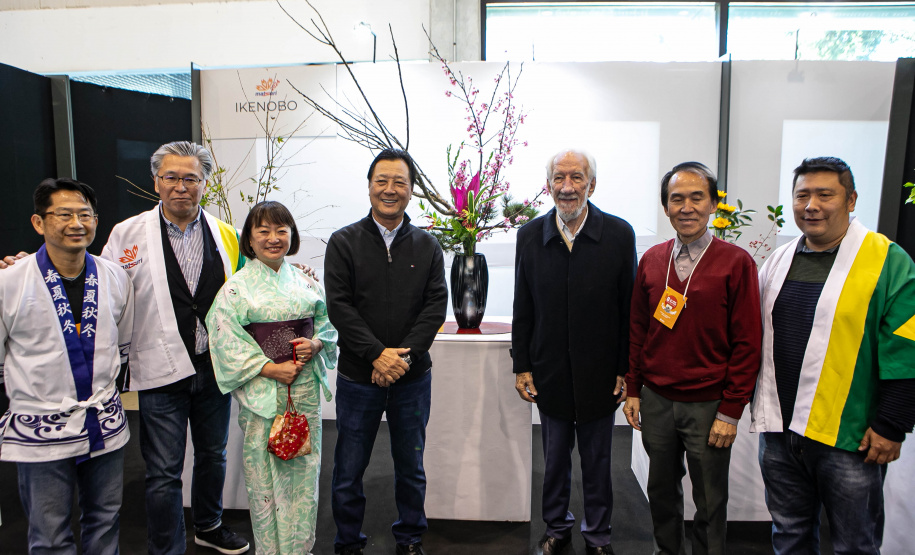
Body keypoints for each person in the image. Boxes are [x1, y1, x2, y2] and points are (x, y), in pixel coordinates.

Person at [751, 156, 915, 554]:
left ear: (851, 199)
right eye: (802, 195)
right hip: (781, 433)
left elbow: (906, 348)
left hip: (851, 437)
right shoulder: (778, 261)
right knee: (789, 535)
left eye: (826, 194)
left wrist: (893, 424)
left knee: (854, 544)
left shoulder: (887, 261)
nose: (812, 205)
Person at [103, 141, 249, 554]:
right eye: (172, 177)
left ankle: (209, 524)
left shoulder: (225, 234)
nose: (181, 186)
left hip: (211, 367)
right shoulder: (126, 235)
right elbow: (102, 287)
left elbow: (246, 288)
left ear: (204, 183)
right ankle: (166, 546)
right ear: (156, 182)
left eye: (191, 178)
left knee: (212, 455)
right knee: (163, 470)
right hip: (159, 369)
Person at [624, 162, 762, 555]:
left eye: (696, 197)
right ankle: (666, 550)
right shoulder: (652, 260)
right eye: (676, 198)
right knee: (661, 493)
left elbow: (748, 342)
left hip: (708, 404)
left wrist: (732, 409)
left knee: (710, 499)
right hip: (657, 401)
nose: (686, 207)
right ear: (665, 207)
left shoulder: (736, 262)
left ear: (714, 204)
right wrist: (634, 389)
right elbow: (637, 330)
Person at [324, 148, 448, 555]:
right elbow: (340, 307)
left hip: (412, 378)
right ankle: (347, 542)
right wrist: (377, 355)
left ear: (411, 191)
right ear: (369, 187)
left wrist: (400, 360)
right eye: (382, 181)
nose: (390, 190)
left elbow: (434, 307)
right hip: (359, 376)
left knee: (411, 467)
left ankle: (410, 538)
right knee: (348, 468)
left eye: (399, 182)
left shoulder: (428, 245)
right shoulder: (343, 242)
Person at [0, 178, 133, 554]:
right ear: (39, 222)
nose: (77, 223)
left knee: (105, 520)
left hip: (103, 422)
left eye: (85, 214)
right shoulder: (9, 283)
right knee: (50, 534)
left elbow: (122, 343)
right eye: (64, 214)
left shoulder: (115, 277)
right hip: (41, 428)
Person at [513, 149, 636, 555]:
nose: (567, 187)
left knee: (599, 463)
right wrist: (522, 365)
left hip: (601, 373)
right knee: (554, 464)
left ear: (592, 185)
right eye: (559, 178)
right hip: (549, 371)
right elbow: (523, 306)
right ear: (548, 185)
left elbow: (628, 309)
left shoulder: (619, 234)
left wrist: (625, 368)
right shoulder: (529, 236)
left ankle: (598, 535)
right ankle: (556, 529)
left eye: (577, 178)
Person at [206, 201, 337, 555]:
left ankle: (300, 547)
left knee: (305, 471)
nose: (273, 238)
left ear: (292, 235)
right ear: (249, 238)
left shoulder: (305, 280)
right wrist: (268, 367)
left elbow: (327, 325)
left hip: (303, 390)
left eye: (281, 230)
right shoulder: (236, 289)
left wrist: (315, 342)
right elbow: (222, 336)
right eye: (262, 231)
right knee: (266, 474)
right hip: (265, 393)